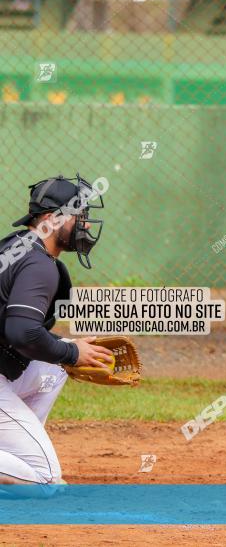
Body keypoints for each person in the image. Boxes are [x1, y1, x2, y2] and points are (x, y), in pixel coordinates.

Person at [0, 175, 112, 492]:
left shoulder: (15, 246)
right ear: (51, 220)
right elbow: (22, 333)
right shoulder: (38, 264)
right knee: (46, 479)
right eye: (80, 216)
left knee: (53, 367)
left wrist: (65, 351)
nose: (86, 226)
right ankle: (29, 466)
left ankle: (13, 456)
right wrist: (73, 352)